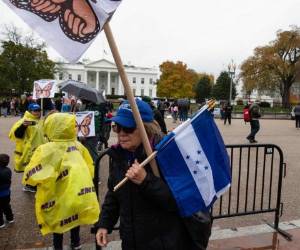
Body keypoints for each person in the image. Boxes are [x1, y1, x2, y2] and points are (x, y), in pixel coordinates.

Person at [95, 99, 195, 250]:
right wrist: (104, 224)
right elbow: (114, 194)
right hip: (130, 240)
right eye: (117, 127)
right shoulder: (118, 155)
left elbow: (179, 202)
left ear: (145, 129)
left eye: (128, 128)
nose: (121, 133)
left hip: (162, 242)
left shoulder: (165, 155)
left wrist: (146, 181)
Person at [22, 113, 100, 250]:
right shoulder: (78, 146)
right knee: (74, 218)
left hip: (55, 195)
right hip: (77, 193)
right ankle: (76, 243)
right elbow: (90, 167)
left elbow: (31, 175)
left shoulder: (45, 149)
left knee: (58, 220)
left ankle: (58, 246)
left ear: (50, 127)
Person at [9, 103, 46, 192]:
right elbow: (16, 135)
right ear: (30, 111)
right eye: (35, 111)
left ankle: (34, 183)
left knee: (37, 167)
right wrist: (23, 126)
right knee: (31, 168)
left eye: (38, 111)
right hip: (30, 150)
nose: (37, 113)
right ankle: (29, 185)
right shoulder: (24, 121)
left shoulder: (38, 121)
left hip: (39, 148)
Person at [0, 154, 14, 228]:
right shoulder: (8, 170)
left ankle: (1, 223)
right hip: (7, 193)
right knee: (6, 206)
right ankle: (10, 218)